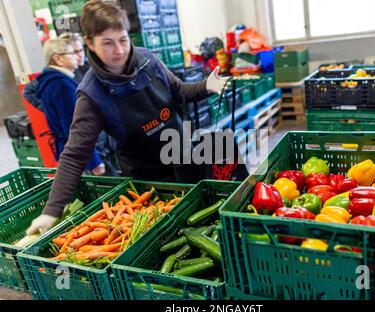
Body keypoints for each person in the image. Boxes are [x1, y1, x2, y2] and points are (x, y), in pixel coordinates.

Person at [26, 0, 228, 235]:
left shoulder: (148, 60)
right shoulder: (91, 94)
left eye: (123, 40)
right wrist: (51, 211)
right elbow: (74, 154)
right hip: (150, 184)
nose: (119, 50)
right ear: (90, 43)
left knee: (208, 224)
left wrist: (206, 86)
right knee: (173, 235)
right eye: (108, 43)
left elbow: (179, 90)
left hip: (184, 156)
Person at [35, 38, 105, 179]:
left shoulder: (50, 80)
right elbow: (75, 127)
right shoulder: (62, 85)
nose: (77, 56)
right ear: (58, 59)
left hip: (70, 151)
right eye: (71, 53)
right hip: (82, 157)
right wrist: (94, 162)